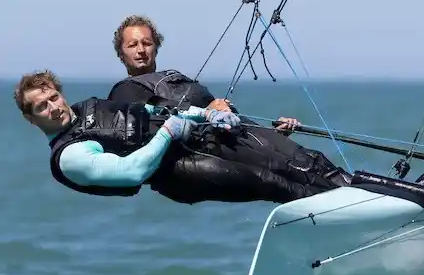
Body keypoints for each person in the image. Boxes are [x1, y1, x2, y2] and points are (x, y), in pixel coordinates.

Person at [16, 70, 353, 204]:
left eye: (52, 98)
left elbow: (146, 112)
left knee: (294, 162)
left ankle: (359, 190)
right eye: (41, 107)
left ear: (59, 93)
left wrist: (204, 114)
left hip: (189, 139)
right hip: (177, 172)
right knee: (267, 180)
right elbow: (133, 172)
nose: (53, 107)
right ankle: (341, 207)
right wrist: (169, 132)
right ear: (31, 120)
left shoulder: (90, 106)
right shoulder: (69, 155)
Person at [105, 13, 299, 135]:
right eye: (132, 45)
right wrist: (208, 113)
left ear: (156, 47)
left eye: (147, 43)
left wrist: (274, 132)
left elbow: (231, 124)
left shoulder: (174, 78)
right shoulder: (124, 91)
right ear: (121, 54)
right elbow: (158, 108)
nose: (141, 50)